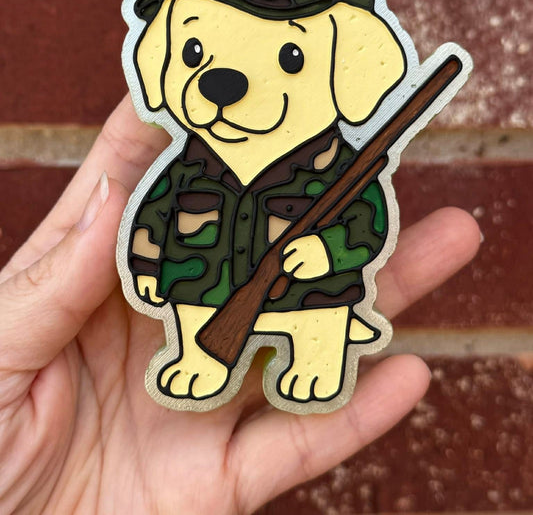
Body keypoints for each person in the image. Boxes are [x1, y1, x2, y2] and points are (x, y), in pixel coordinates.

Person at [0, 95, 480, 514]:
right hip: (202, 292)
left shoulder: (340, 165)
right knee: (193, 306)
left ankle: (318, 358)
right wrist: (145, 266)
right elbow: (153, 217)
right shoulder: (187, 165)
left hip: (310, 295)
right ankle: (201, 358)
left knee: (321, 311)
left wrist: (327, 251)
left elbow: (367, 225)